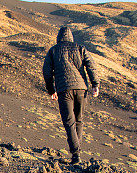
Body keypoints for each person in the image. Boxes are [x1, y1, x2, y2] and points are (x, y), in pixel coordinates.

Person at [42, 26, 99, 165]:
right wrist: (95, 84)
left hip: (64, 89)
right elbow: (91, 65)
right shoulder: (80, 48)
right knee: (78, 120)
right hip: (81, 89)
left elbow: (47, 72)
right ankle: (77, 153)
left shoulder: (54, 50)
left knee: (69, 122)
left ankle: (76, 154)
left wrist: (51, 90)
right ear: (71, 37)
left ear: (59, 37)